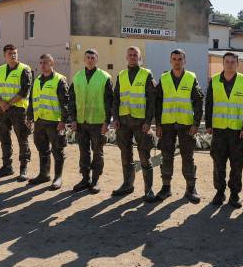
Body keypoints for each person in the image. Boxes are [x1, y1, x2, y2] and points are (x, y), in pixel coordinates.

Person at [204, 52, 243, 208]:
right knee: (218, 162)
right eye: (227, 61)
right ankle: (219, 192)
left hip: (237, 131)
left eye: (233, 62)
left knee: (236, 163)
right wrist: (209, 124)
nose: (230, 64)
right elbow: (209, 103)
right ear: (223, 63)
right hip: (219, 130)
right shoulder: (214, 81)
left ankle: (234, 194)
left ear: (237, 64)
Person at [155, 49, 204, 203]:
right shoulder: (164, 78)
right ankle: (166, 187)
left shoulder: (191, 78)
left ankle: (191, 189)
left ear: (184, 61)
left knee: (187, 157)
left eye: (180, 59)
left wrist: (196, 123)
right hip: (167, 125)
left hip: (186, 125)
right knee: (166, 156)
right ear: (170, 61)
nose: (177, 61)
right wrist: (158, 124)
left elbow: (198, 102)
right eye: (174, 59)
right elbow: (158, 103)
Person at [112, 46, 158, 202]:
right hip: (124, 123)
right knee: (126, 156)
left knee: (144, 156)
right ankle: (127, 185)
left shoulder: (146, 74)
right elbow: (116, 99)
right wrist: (116, 118)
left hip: (140, 124)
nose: (132, 57)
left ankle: (149, 190)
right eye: (130, 55)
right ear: (126, 57)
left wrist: (148, 122)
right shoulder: (121, 75)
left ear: (140, 58)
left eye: (135, 55)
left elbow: (152, 101)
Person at [68, 49, 113, 194]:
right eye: (87, 57)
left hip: (98, 122)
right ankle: (85, 179)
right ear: (84, 59)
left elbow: (109, 102)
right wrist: (73, 119)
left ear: (97, 59)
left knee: (97, 152)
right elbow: (72, 100)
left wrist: (107, 122)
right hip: (81, 122)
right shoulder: (77, 77)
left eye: (93, 57)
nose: (90, 60)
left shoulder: (104, 77)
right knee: (83, 152)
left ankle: (95, 180)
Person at [27, 53, 70, 189]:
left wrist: (63, 121)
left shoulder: (60, 80)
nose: (42, 65)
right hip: (40, 121)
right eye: (41, 63)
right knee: (42, 149)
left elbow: (65, 103)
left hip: (54, 122)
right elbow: (32, 100)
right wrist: (30, 117)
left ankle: (58, 178)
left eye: (45, 62)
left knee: (58, 150)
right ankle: (44, 174)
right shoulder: (38, 80)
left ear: (52, 64)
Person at [0, 44, 33, 181]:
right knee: (4, 137)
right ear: (4, 55)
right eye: (10, 53)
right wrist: (2, 103)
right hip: (3, 109)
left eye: (15, 53)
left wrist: (8, 103)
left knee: (22, 138)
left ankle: (24, 168)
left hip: (18, 109)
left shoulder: (25, 69)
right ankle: (7, 166)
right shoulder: (0, 70)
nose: (13, 55)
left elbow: (24, 91)